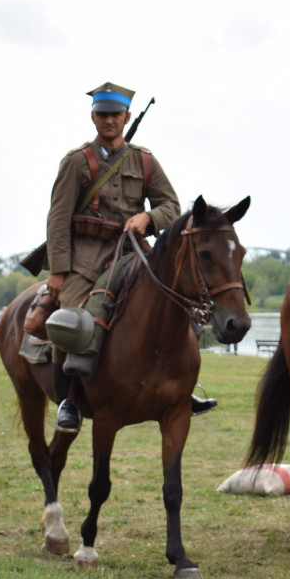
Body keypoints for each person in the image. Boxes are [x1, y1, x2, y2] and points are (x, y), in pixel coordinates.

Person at [45, 82, 216, 432]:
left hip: (135, 256)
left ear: (125, 118)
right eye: (103, 114)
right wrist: (59, 271)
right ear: (94, 118)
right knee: (71, 323)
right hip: (85, 261)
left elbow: (172, 205)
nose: (110, 121)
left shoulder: (145, 160)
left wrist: (148, 218)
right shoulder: (77, 162)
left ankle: (183, 391)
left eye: (116, 115)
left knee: (183, 312)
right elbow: (58, 218)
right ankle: (69, 399)